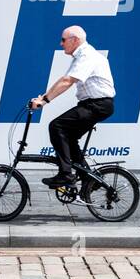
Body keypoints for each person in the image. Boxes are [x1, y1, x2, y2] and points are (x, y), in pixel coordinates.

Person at [30, 25, 115, 187]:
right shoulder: (81, 56)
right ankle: (88, 177)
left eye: (63, 40)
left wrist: (44, 101)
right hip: (94, 104)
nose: (61, 43)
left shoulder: (87, 56)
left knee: (56, 126)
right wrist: (43, 97)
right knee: (69, 137)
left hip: (98, 105)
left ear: (75, 40)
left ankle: (65, 174)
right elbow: (65, 78)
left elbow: (67, 82)